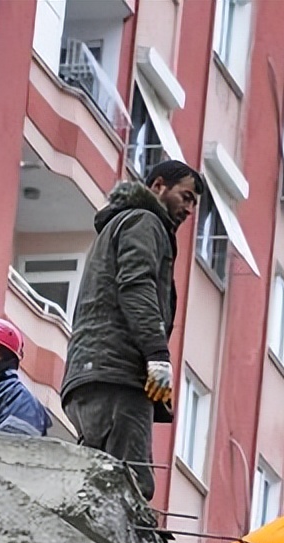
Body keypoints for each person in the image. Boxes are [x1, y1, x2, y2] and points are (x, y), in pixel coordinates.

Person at [60, 159, 203, 500]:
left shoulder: (121, 224)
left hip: (90, 374)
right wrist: (156, 354)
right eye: (185, 196)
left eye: (194, 203)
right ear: (158, 186)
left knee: (97, 481)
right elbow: (136, 286)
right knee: (131, 487)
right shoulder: (145, 222)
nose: (188, 208)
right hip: (118, 375)